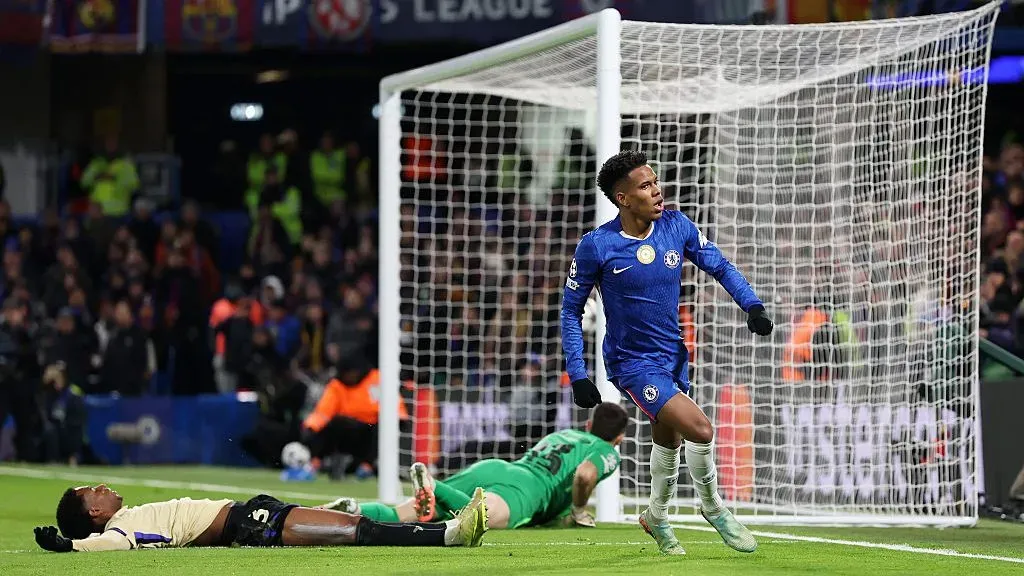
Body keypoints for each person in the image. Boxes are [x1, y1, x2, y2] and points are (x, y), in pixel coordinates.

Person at [560, 150, 774, 556]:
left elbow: (720, 266)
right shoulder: (597, 245)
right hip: (632, 363)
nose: (657, 191)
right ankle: (713, 507)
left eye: (655, 181)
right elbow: (571, 310)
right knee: (701, 430)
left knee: (669, 437)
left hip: (672, 354)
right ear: (623, 198)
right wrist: (579, 373)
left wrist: (753, 306)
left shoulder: (676, 226)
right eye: (646, 186)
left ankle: (656, 515)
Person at [324, 402, 628, 530]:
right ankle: (433, 485)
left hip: (496, 468)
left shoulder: (564, 434)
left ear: (588, 424)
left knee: (406, 514)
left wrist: (565, 518)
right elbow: (584, 475)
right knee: (476, 518)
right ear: (619, 439)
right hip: (525, 490)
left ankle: (351, 509)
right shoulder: (606, 451)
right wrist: (579, 510)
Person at [34, 484, 487, 553]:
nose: (103, 487)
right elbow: (113, 545)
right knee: (355, 532)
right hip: (248, 523)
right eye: (94, 491)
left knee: (351, 525)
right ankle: (449, 534)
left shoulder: (129, 515)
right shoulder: (120, 528)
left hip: (248, 514)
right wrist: (70, 545)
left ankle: (446, 530)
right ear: (95, 512)